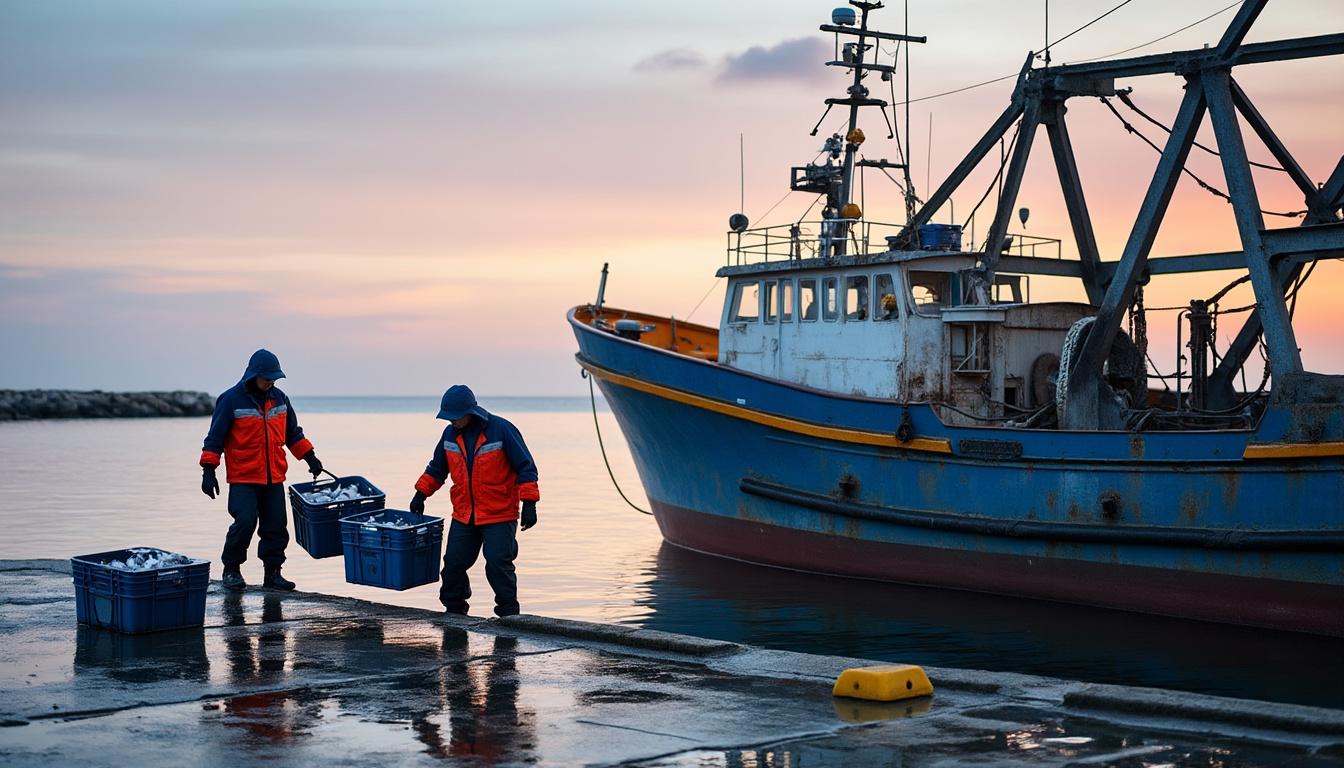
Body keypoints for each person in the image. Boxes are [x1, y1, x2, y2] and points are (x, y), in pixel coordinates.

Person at [410, 385, 539, 617]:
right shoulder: (449, 435)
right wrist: (421, 494)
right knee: (453, 565)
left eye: (455, 418)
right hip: (464, 514)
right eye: (448, 418)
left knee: (499, 564)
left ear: (471, 412)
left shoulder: (502, 430)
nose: (451, 422)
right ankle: (455, 612)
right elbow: (437, 468)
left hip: (499, 514)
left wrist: (530, 503)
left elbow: (526, 467)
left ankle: (509, 615)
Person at [199, 349, 322, 591]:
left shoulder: (280, 399)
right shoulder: (230, 399)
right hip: (243, 477)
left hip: (274, 476)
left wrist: (310, 458)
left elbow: (293, 433)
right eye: (267, 379)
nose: (271, 383)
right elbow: (215, 438)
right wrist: (208, 470)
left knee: (276, 526)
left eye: (274, 379)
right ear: (253, 375)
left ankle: (273, 573)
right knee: (245, 521)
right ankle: (231, 569)